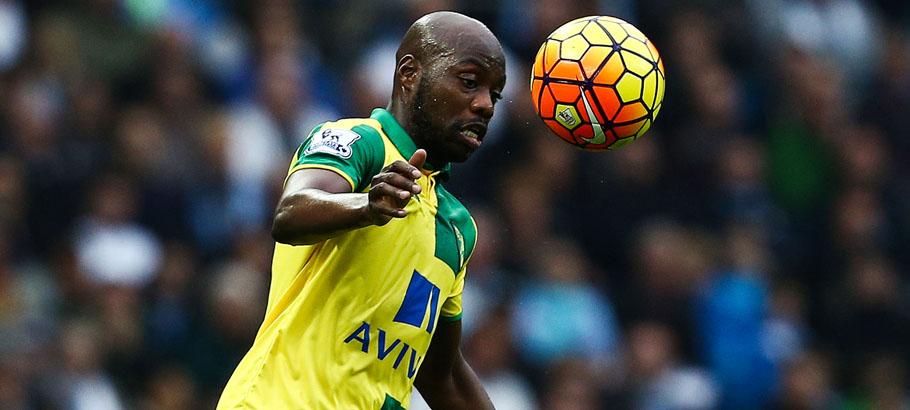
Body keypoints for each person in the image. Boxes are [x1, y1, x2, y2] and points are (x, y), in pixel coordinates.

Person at [216, 11, 506, 410]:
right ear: (409, 75)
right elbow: (291, 213)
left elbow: (443, 375)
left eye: (495, 94)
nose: (485, 105)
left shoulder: (456, 229)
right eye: (470, 83)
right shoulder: (358, 141)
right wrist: (365, 206)